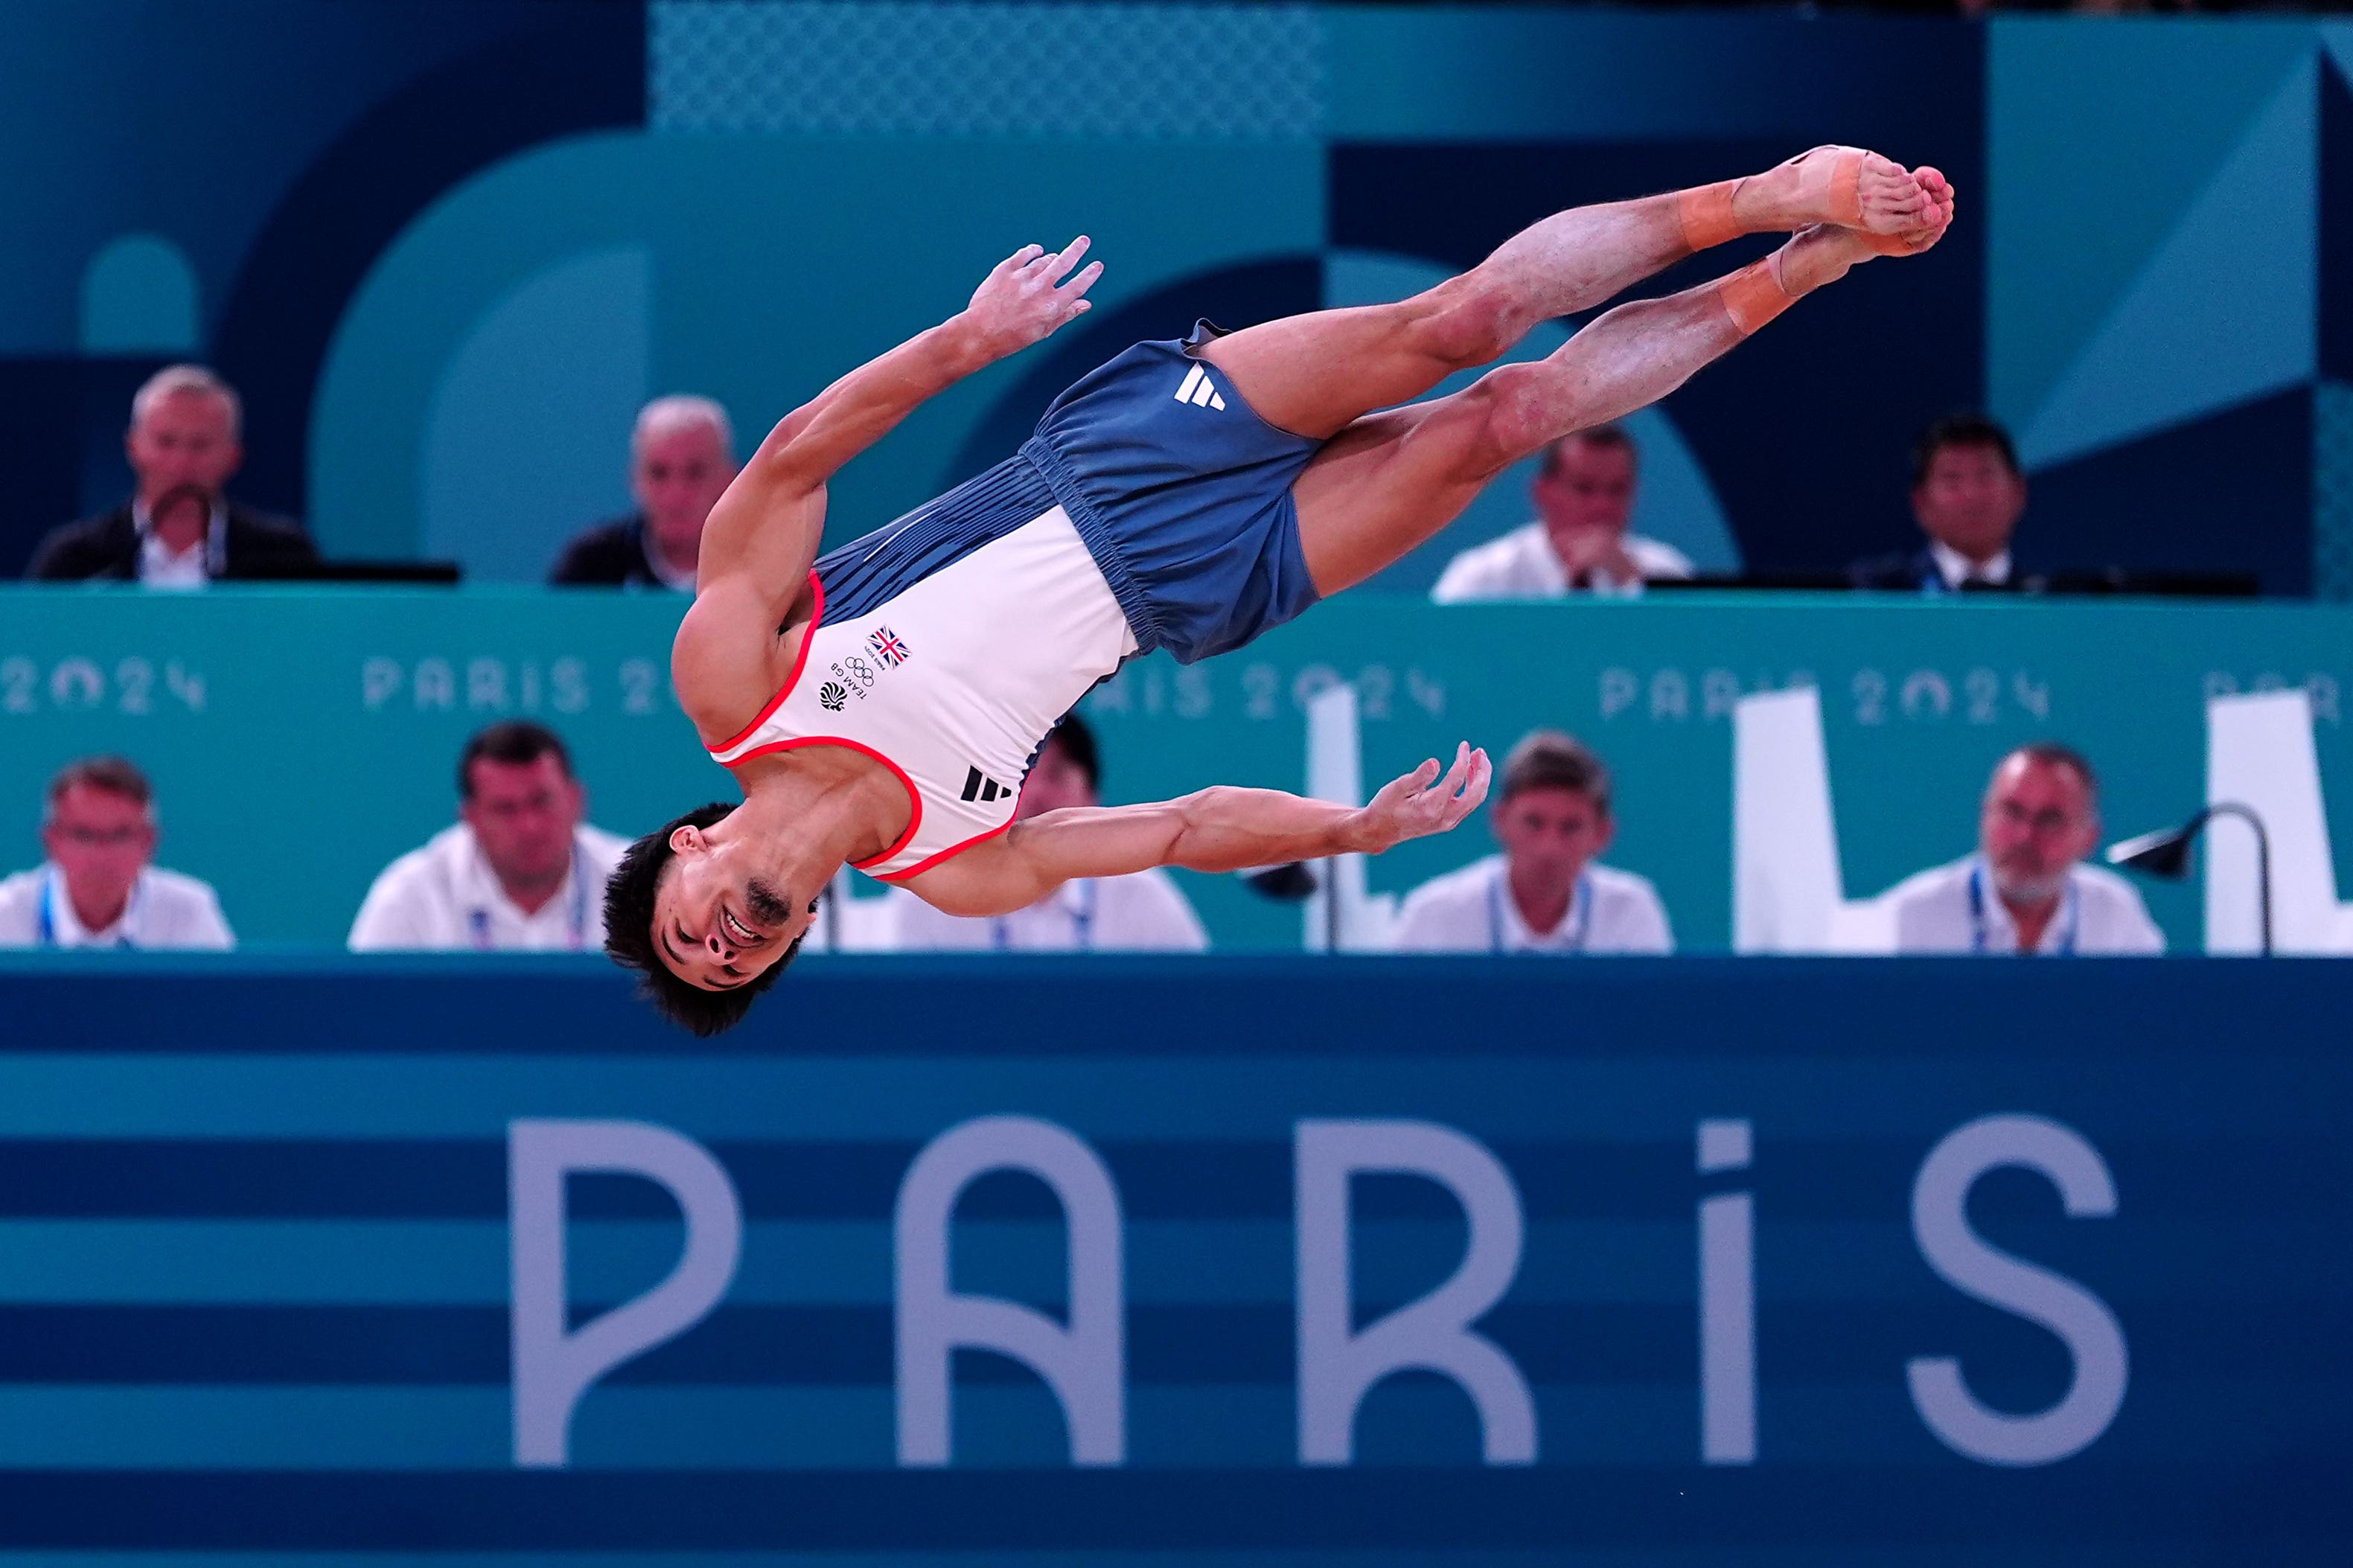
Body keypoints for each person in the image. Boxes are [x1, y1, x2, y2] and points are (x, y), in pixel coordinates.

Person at [603, 145, 1955, 1031]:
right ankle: (1804, 269)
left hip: (1114, 462)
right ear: (790, 952)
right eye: (733, 968)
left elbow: (786, 464)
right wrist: (1348, 834)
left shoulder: (733, 690)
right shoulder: (955, 874)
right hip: (1197, 592)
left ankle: (1765, 195)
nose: (724, 947)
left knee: (1461, 323)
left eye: (690, 932)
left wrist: (968, 340)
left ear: (687, 850)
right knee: (1506, 418)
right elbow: (1183, 829)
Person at [891, 714, 1209, 951]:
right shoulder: (932, 896)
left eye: (1056, 775)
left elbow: (1195, 1009)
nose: (1035, 794)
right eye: (1019, 777)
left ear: (1092, 797)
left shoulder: (1139, 898)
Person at [25, 365, 319, 585]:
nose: (181, 463)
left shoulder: (284, 557)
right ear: (133, 448)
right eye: (166, 442)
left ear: (233, 457)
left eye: (200, 445)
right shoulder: (76, 561)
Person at [350, 722, 628, 952]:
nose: (529, 826)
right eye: (505, 809)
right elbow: (364, 1011)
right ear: (471, 819)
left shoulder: (639, 886)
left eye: (542, 802)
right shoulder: (410, 896)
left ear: (576, 800)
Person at [1389, 730, 1670, 953]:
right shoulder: (1433, 915)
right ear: (1500, 820)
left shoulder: (1632, 911)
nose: (1550, 847)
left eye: (1571, 827)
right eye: (1534, 823)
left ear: (1602, 834)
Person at [1880, 743, 2162, 955]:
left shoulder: (2115, 912)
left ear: (2088, 839)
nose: (2025, 836)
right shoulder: (1916, 912)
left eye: (2050, 820)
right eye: (2011, 813)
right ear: (1984, 816)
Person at [1428, 426, 1693, 601]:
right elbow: (1434, 658)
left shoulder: (1665, 572)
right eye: (1584, 488)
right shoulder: (1483, 577)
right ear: (1543, 493)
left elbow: (1696, 658)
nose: (1602, 505)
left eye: (1617, 490)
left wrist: (1630, 579)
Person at [0, 757, 233, 949]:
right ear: (51, 842)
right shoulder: (5, 913)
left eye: (120, 836)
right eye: (84, 835)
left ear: (148, 842)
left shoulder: (188, 911)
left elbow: (226, 1002)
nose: (101, 853)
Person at [550, 396, 739, 589]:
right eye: (659, 473)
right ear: (635, 479)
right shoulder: (590, 567)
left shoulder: (760, 564)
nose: (677, 494)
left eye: (696, 473)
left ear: (729, 480)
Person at [1847, 415, 2031, 593]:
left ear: (2018, 493)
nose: (1971, 495)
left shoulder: (2048, 601)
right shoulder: (1876, 592)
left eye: (1986, 476)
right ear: (1920, 502)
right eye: (1952, 480)